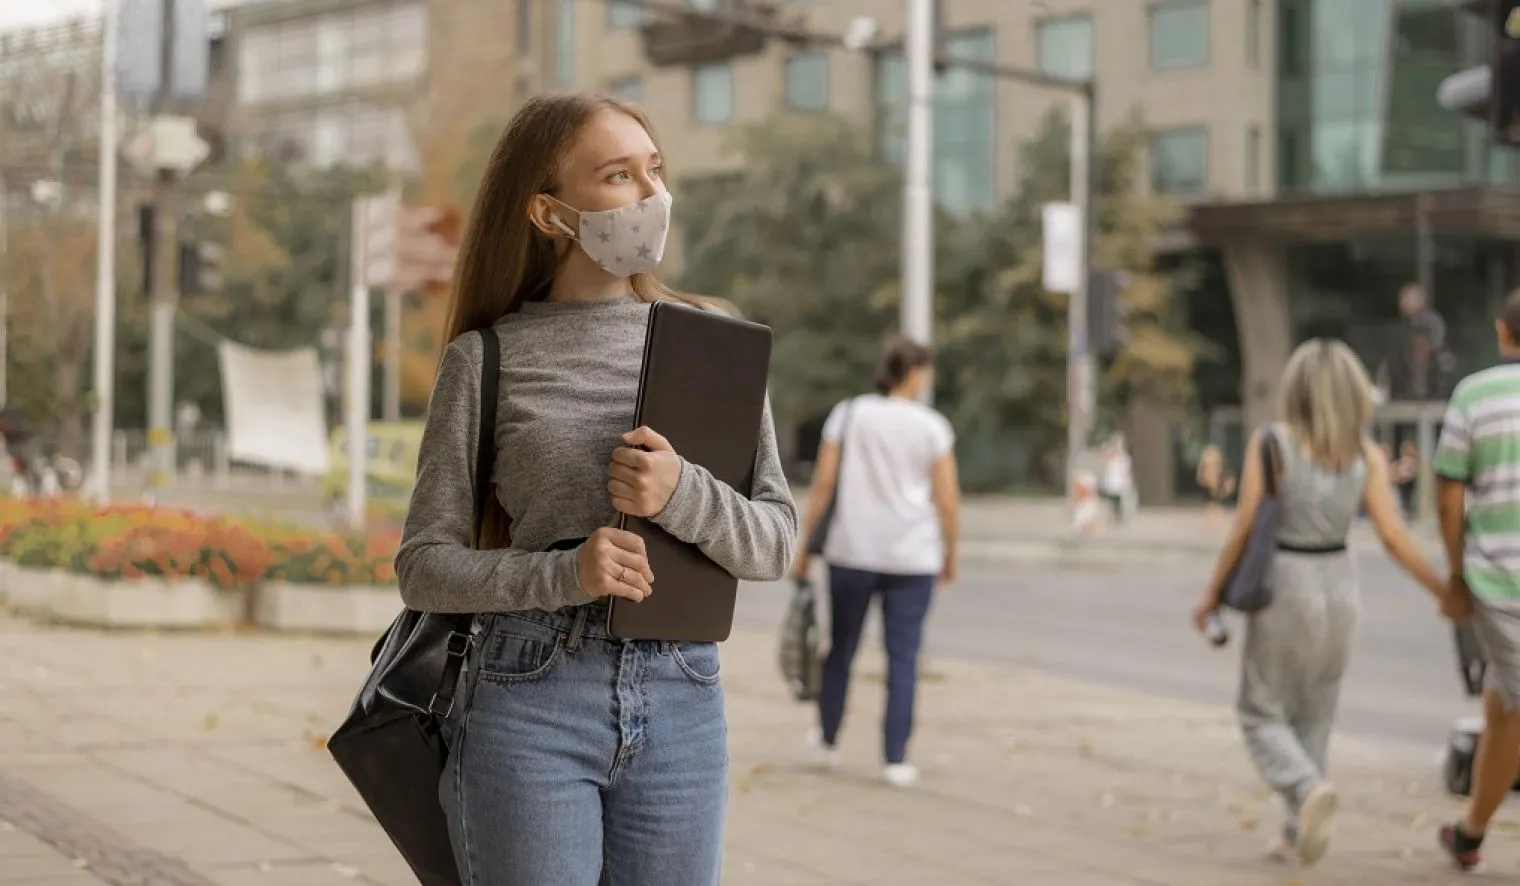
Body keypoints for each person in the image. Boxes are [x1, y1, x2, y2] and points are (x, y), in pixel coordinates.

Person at [393, 92, 797, 886]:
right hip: (528, 699)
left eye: (655, 170)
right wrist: (567, 572)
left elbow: (776, 542)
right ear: (549, 212)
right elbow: (423, 565)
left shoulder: (714, 341)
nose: (652, 195)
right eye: (618, 176)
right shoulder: (485, 359)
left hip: (683, 698)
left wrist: (681, 493)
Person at [1191, 339, 1453, 867]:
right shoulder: (1365, 455)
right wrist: (1445, 591)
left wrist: (1211, 593)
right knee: (1316, 712)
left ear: (1296, 389)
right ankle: (1298, 832)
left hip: (1286, 584)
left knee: (1259, 710)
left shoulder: (1273, 443)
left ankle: (1305, 787)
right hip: (1340, 587)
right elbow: (1394, 535)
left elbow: (1243, 526)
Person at [792, 335, 961, 788]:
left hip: (853, 551)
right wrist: (950, 552)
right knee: (903, 657)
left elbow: (824, 484)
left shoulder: (850, 414)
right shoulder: (932, 426)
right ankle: (896, 758)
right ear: (915, 373)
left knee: (841, 649)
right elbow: (947, 500)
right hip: (914, 557)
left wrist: (805, 547)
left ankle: (827, 740)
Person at [1431, 290, 1520, 873]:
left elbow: (1448, 494)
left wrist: (1456, 575)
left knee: (1507, 709)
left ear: (1501, 331)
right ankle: (1469, 834)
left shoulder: (1474, 395)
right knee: (1506, 709)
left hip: (1500, 583)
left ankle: (1469, 834)